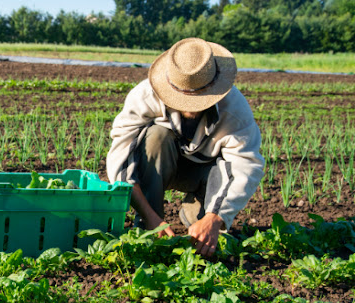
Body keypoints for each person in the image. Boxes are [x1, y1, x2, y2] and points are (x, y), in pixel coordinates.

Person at [106, 37, 264, 257]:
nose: (191, 106)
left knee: (202, 233)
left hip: (205, 172)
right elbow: (121, 159)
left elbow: (245, 165)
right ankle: (148, 226)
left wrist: (215, 218)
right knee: (155, 137)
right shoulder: (144, 96)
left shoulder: (234, 110)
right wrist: (151, 217)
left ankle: (196, 213)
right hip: (161, 163)